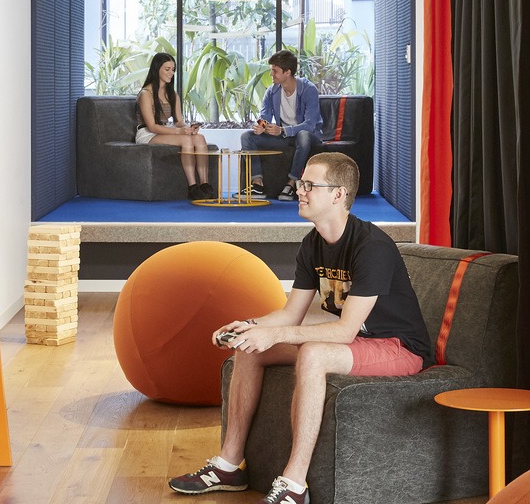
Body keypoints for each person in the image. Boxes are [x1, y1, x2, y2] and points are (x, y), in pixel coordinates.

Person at [168, 152, 431, 504]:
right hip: (359, 343)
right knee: (250, 348)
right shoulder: (313, 244)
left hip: (399, 348)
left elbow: (344, 332)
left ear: (338, 194)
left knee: (313, 355)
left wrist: (274, 335)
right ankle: (229, 465)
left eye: (310, 185)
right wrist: (249, 326)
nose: (299, 190)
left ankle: (294, 484)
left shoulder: (372, 247)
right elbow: (291, 313)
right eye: (301, 183)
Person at [240, 50, 324, 201]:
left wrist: (283, 130)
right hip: (284, 137)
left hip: (307, 136)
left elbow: (310, 125)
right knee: (247, 137)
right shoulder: (272, 91)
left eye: (274, 71)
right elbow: (264, 117)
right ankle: (257, 184)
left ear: (287, 72)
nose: (271, 74)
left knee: (303, 135)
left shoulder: (308, 89)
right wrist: (260, 126)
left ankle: (291, 184)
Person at [137, 53, 213, 200]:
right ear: (157, 69)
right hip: (147, 133)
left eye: (173, 69)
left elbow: (178, 121)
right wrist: (180, 132)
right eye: (167, 69)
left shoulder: (173, 94)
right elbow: (152, 127)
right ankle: (192, 187)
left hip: (164, 131)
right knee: (186, 140)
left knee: (199, 138)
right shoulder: (145, 94)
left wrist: (189, 128)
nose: (171, 73)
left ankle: (205, 186)